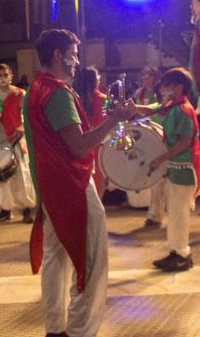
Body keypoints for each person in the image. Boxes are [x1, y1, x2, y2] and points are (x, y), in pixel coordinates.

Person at [23, 29, 134, 337]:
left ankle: (55, 329)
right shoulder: (57, 92)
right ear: (59, 55)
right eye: (73, 54)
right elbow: (78, 146)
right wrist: (115, 119)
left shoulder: (34, 88)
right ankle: (80, 331)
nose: (77, 61)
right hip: (72, 186)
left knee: (56, 260)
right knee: (90, 263)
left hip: (50, 186)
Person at [137, 68, 200, 272]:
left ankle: (181, 254)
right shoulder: (172, 106)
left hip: (184, 167)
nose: (162, 89)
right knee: (174, 212)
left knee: (179, 213)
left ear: (178, 87)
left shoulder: (183, 110)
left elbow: (184, 142)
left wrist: (160, 159)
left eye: (166, 85)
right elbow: (152, 110)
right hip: (176, 168)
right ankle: (177, 252)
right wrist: (133, 107)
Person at [0, 63, 36, 223]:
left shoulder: (20, 93)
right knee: (0, 176)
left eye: (5, 75)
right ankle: (5, 209)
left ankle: (27, 208)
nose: (3, 78)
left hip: (17, 138)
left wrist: (22, 126)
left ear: (11, 76)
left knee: (22, 173)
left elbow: (28, 112)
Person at [135, 66, 167, 226]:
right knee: (155, 175)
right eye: (143, 75)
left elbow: (155, 109)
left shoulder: (161, 94)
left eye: (147, 75)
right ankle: (155, 214)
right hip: (148, 136)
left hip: (164, 136)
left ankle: (156, 214)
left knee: (161, 176)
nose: (144, 77)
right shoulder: (140, 94)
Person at [72, 66, 108, 198]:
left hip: (82, 143)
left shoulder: (75, 98)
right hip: (98, 143)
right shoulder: (103, 99)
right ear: (96, 80)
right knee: (98, 182)